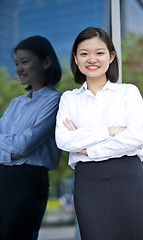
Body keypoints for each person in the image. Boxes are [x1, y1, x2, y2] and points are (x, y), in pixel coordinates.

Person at [55, 27, 143, 240]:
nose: (92, 59)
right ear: (75, 58)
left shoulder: (128, 92)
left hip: (128, 177)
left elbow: (136, 138)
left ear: (111, 56)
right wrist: (110, 131)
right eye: (84, 53)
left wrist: (87, 149)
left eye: (99, 52)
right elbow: (63, 139)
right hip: (89, 181)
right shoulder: (69, 99)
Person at [0, 35, 62, 240]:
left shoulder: (55, 101)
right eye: (17, 63)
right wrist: (14, 150)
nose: (19, 69)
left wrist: (12, 147)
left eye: (25, 62)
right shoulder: (15, 103)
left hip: (28, 182)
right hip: (3, 177)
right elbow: (19, 147)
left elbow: (25, 145)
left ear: (46, 62)